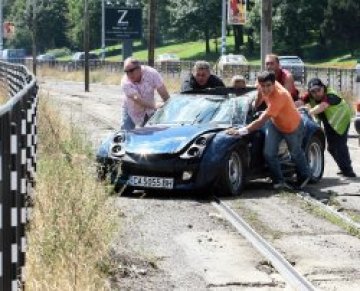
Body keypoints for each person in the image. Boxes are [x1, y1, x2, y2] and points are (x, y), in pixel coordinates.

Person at [227, 70, 311, 190]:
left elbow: (261, 121)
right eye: (263, 86)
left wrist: (241, 131)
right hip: (275, 123)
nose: (265, 89)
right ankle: (279, 181)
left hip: (292, 127)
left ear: (274, 83)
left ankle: (305, 175)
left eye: (268, 86)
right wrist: (254, 106)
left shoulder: (280, 96)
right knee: (269, 153)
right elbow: (260, 94)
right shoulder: (261, 84)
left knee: (295, 153)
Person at [295, 78, 356, 178]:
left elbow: (322, 106)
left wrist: (307, 112)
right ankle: (343, 167)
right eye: (313, 91)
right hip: (330, 121)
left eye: (318, 90)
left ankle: (348, 171)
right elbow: (300, 102)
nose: (316, 93)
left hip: (341, 121)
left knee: (340, 146)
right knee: (331, 148)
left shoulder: (330, 95)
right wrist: (291, 108)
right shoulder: (310, 95)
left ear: (323, 88)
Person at [120, 57, 170, 130]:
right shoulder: (125, 82)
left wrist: (169, 107)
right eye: (126, 71)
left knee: (151, 134)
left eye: (131, 71)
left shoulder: (152, 74)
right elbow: (137, 99)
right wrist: (155, 105)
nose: (129, 74)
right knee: (126, 134)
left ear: (139, 68)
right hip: (131, 111)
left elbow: (164, 94)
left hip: (149, 111)